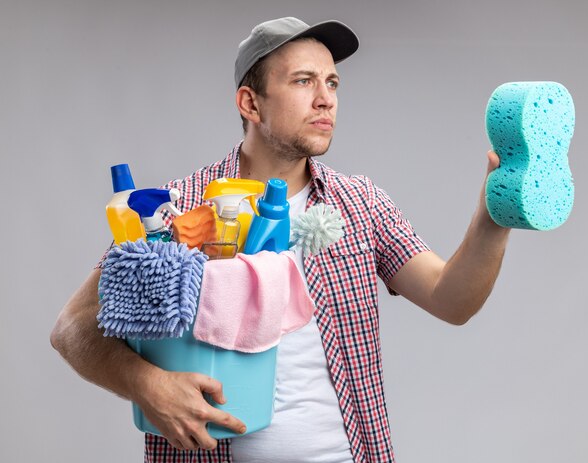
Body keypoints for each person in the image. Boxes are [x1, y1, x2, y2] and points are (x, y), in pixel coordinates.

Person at [50, 17, 510, 462]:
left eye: (332, 83)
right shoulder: (174, 208)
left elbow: (451, 300)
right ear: (250, 104)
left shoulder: (360, 203)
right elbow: (72, 328)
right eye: (303, 81)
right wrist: (147, 385)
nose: (325, 99)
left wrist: (494, 214)